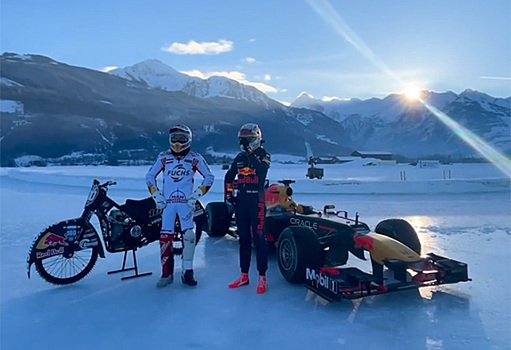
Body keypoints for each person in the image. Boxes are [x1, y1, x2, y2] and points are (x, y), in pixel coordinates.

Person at [146, 124, 214, 288]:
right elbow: (149, 176)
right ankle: (166, 273)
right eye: (174, 138)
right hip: (168, 204)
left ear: (188, 140)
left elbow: (209, 177)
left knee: (189, 236)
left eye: (181, 138)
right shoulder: (163, 157)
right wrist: (156, 195)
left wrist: (196, 195)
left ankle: (188, 271)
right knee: (164, 238)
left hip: (186, 204)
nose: (177, 142)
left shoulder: (194, 158)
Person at [225, 123, 271, 294]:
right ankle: (244, 275)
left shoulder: (264, 155)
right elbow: (228, 177)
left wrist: (252, 154)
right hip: (242, 201)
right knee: (243, 240)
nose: (245, 144)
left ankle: (262, 278)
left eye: (248, 140)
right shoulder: (239, 157)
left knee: (259, 240)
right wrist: (230, 196)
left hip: (257, 201)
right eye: (242, 141)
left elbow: (262, 172)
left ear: (256, 139)